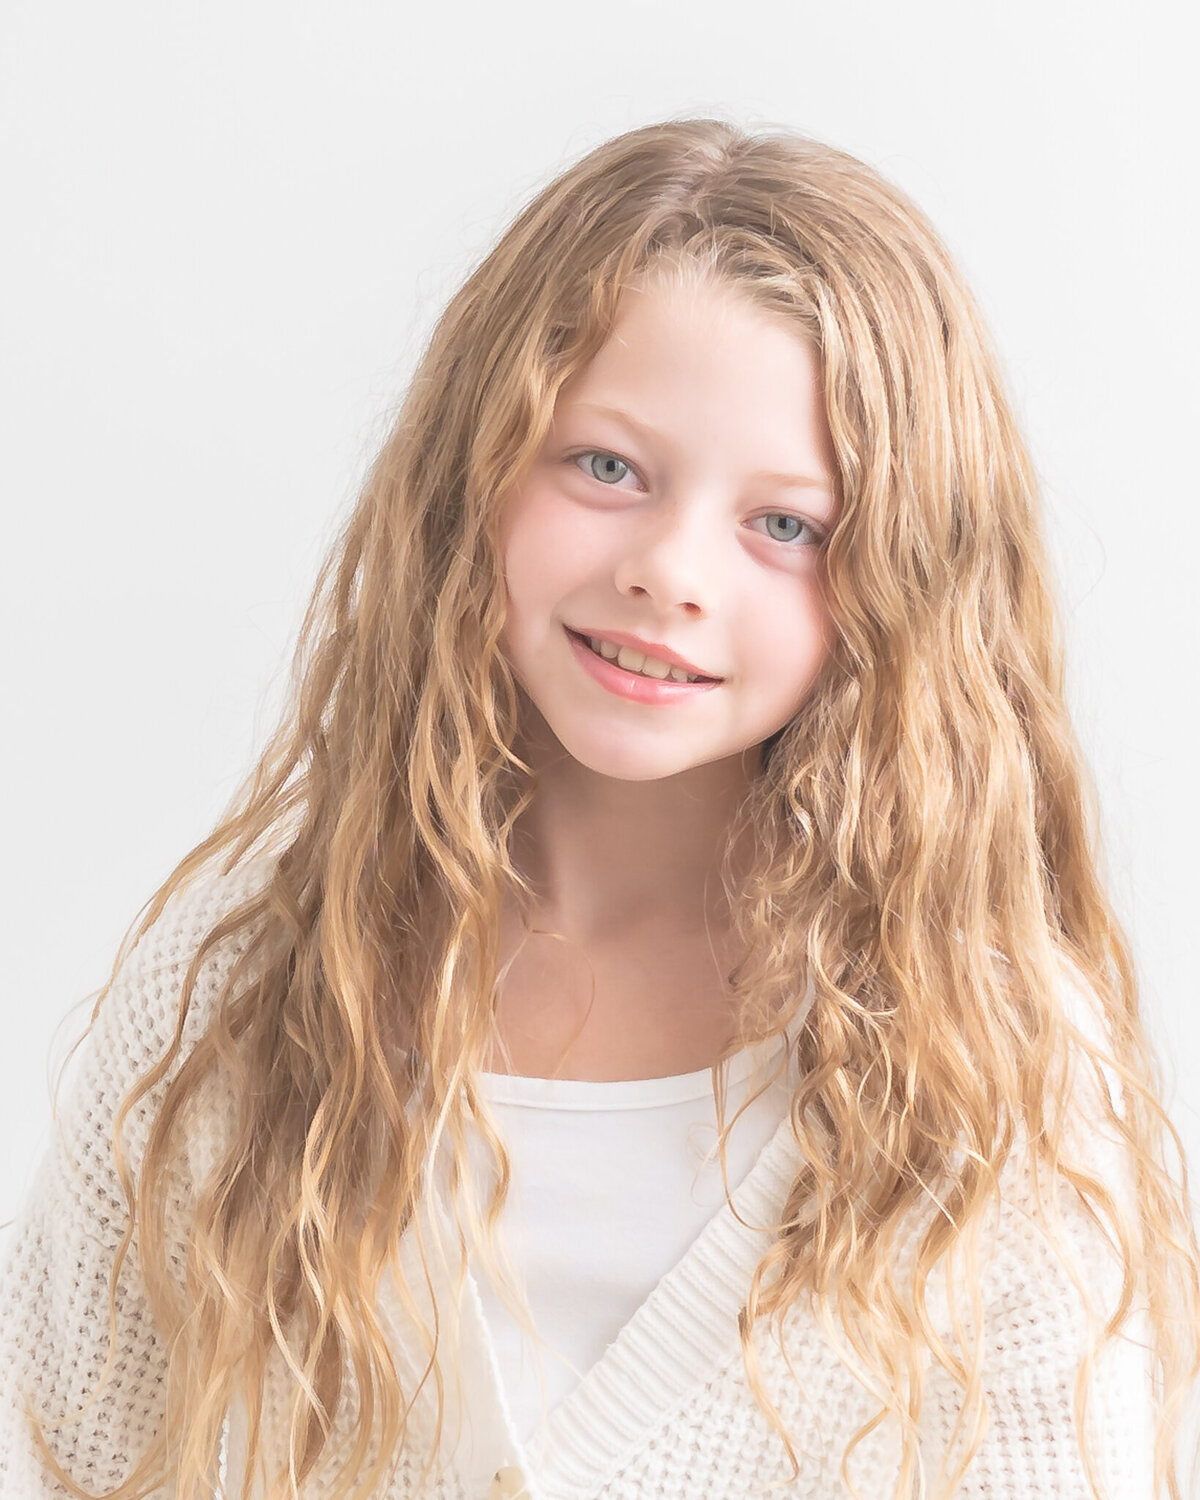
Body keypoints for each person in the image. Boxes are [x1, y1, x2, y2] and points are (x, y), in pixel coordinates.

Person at [0, 116, 1196, 1500]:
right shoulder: (246, 977)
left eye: (786, 526)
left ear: (899, 584)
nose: (672, 572)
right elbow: (60, 1445)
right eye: (608, 468)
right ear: (476, 474)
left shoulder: (996, 1060)